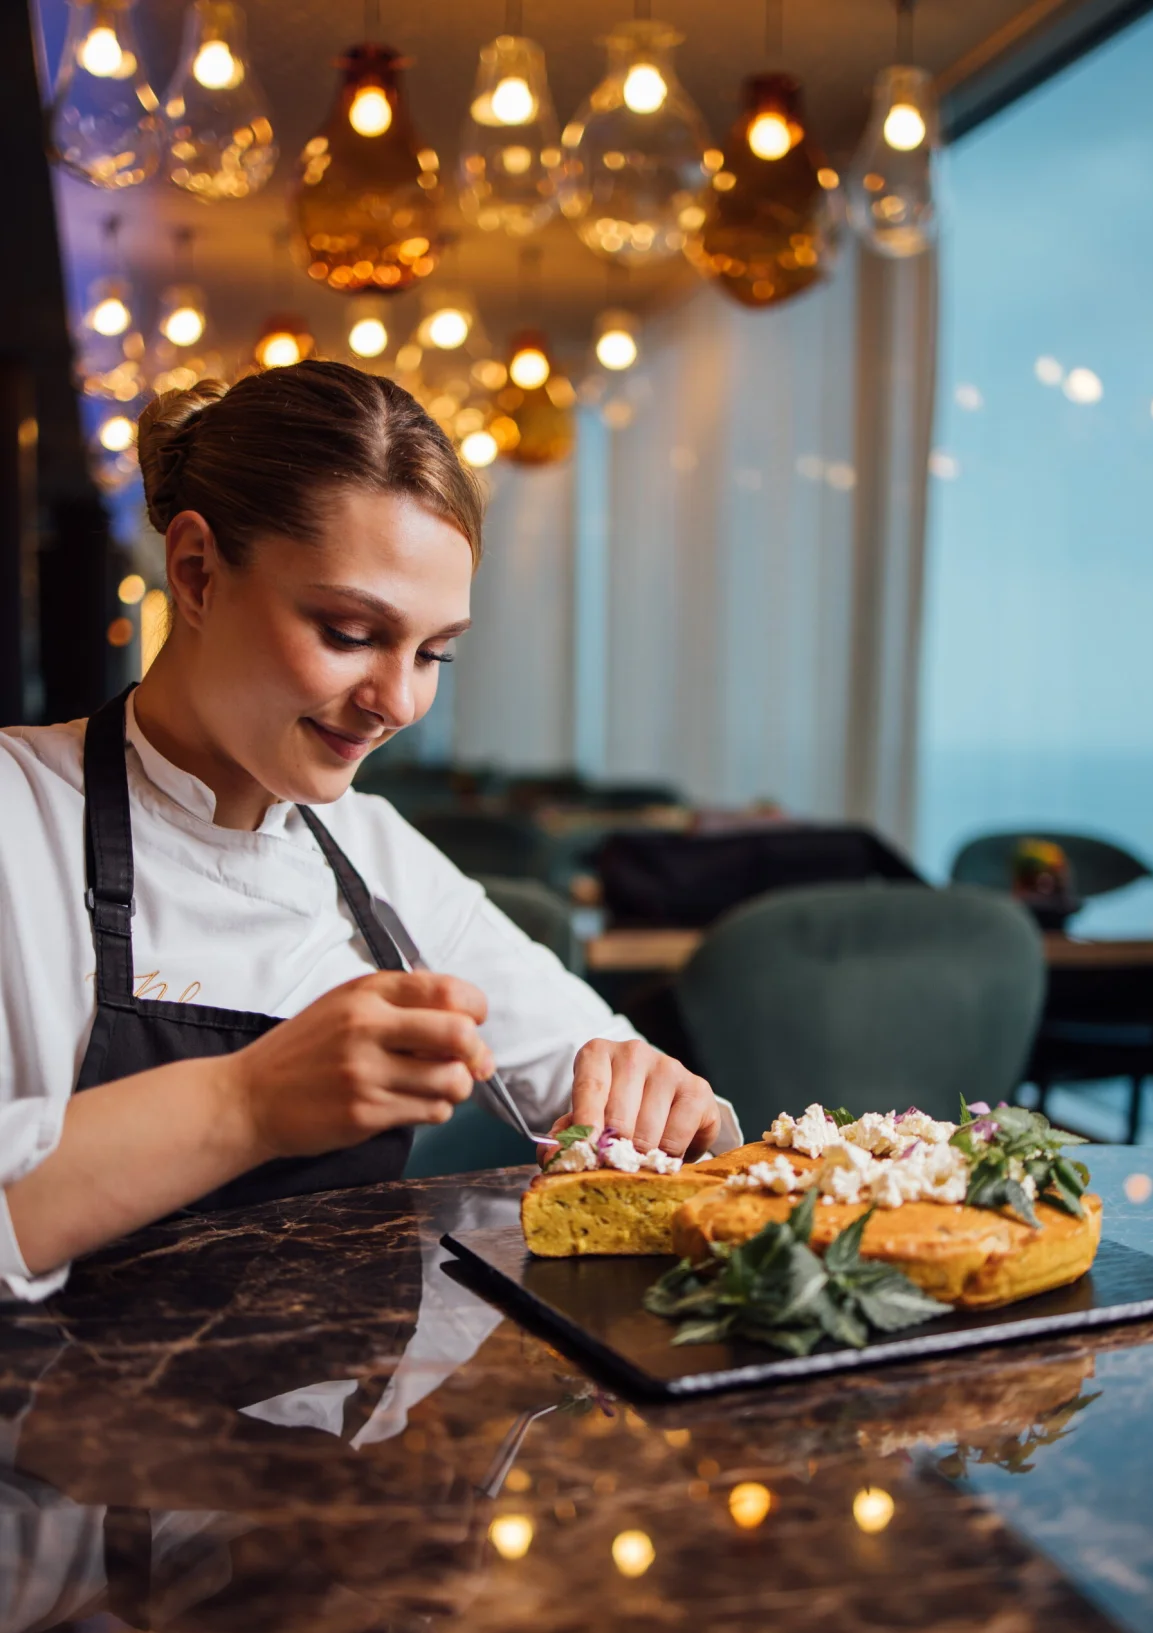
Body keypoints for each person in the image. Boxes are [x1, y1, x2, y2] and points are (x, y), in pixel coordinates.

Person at [0, 361, 732, 1296]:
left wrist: (666, 1099)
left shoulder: (376, 850)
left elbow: (616, 1084)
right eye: (350, 632)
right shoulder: (19, 813)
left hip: (348, 1431)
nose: (396, 701)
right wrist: (248, 1103)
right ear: (195, 573)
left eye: (434, 654)